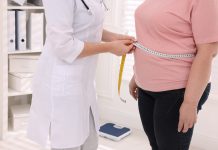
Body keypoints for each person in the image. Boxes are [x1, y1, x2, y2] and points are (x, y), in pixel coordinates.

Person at [27, 0, 134, 150]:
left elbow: (88, 24)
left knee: (90, 142)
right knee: (68, 143)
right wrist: (110, 47)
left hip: (85, 82)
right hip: (64, 83)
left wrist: (114, 37)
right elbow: (63, 46)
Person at [129, 0, 218, 150]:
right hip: (146, 87)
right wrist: (136, 75)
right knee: (156, 145)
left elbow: (208, 51)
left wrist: (190, 103)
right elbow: (155, 38)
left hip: (178, 91)